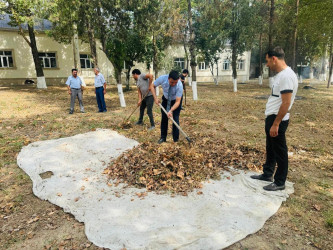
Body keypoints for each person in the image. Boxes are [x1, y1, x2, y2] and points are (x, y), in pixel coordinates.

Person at [251, 47, 298, 191]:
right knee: (270, 148)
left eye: (267, 61)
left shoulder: (286, 76)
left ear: (274, 59)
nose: (267, 65)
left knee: (280, 151)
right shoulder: (281, 75)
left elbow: (286, 103)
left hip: (278, 120)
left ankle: (279, 182)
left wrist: (276, 123)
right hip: (272, 118)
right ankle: (267, 174)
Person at [150, 70, 183, 144]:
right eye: (172, 82)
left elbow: (178, 101)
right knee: (164, 118)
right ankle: (163, 138)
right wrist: (155, 98)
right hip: (166, 99)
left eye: (175, 82)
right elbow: (152, 86)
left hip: (175, 100)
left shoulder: (179, 85)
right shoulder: (162, 78)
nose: (174, 84)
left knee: (175, 118)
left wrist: (171, 110)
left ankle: (175, 139)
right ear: (168, 78)